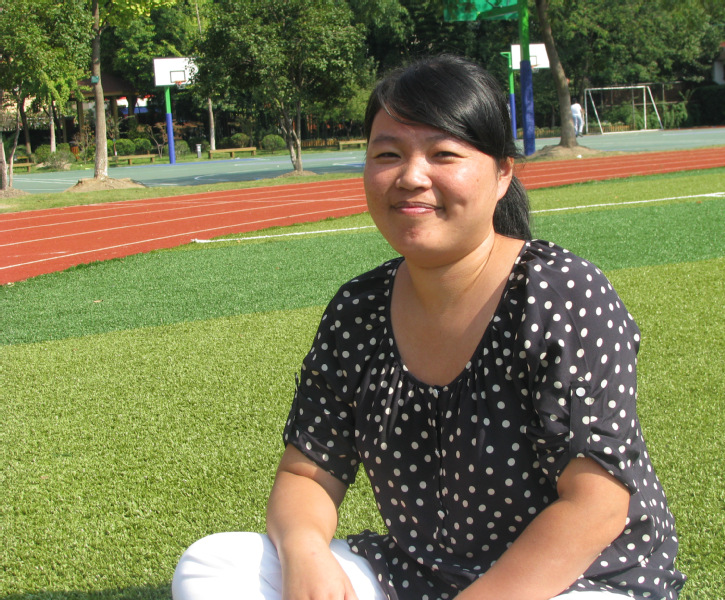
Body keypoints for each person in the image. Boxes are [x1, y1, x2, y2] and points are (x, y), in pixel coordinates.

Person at [172, 55, 685, 600]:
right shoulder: (359, 309)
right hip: (417, 576)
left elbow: (596, 503)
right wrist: (305, 554)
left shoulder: (558, 293)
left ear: (502, 174)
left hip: (580, 581)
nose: (411, 177)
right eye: (387, 155)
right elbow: (307, 473)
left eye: (444, 154)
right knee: (213, 565)